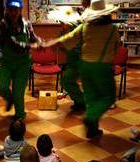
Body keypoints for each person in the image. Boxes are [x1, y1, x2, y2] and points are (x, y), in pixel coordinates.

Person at [42, 0, 121, 138]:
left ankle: (93, 130)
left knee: (91, 98)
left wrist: (51, 43)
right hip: (101, 67)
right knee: (108, 97)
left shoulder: (85, 27)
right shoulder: (112, 30)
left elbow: (68, 39)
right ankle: (91, 119)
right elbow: (117, 47)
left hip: (84, 66)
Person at [0, 0, 42, 121]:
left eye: (16, 9)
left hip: (23, 63)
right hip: (7, 62)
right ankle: (10, 99)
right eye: (11, 9)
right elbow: (12, 43)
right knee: (1, 87)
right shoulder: (3, 24)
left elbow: (32, 37)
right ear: (7, 10)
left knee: (18, 93)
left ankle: (20, 115)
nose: (13, 12)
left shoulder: (27, 24)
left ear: (20, 10)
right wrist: (30, 46)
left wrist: (39, 42)